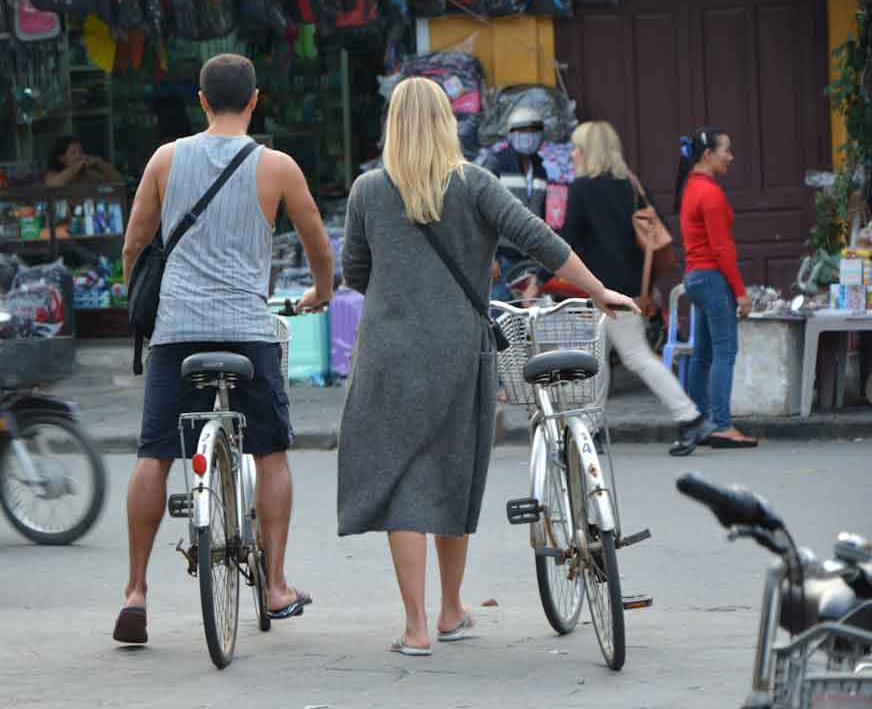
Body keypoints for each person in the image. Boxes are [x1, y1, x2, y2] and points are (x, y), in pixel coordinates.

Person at [337, 77, 639, 656]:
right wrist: (600, 291)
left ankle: (417, 627)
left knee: (402, 486)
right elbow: (541, 240)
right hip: (460, 351)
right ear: (448, 124)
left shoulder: (368, 191)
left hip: (390, 355)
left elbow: (356, 273)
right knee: (452, 473)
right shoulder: (475, 185)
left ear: (392, 126)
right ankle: (451, 611)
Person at [114, 53, 335, 644]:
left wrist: (144, 300)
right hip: (248, 331)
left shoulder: (166, 159)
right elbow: (318, 244)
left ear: (202, 100)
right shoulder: (277, 166)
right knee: (271, 452)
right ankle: (277, 584)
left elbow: (135, 244)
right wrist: (320, 292)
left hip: (176, 333)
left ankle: (135, 590)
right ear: (256, 100)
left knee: (155, 452)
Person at [561, 121, 716, 456]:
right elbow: (653, 231)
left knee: (634, 356)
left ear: (588, 151)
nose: (572, 153)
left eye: (576, 147)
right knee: (595, 359)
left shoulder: (583, 188)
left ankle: (689, 417)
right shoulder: (629, 184)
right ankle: (592, 429)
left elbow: (567, 240)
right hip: (630, 286)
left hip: (601, 289)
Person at [675, 128, 758, 448]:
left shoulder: (692, 188)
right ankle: (722, 424)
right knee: (725, 352)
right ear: (707, 154)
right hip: (711, 278)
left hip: (695, 277)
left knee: (703, 354)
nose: (731, 156)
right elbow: (722, 248)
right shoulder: (709, 193)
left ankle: (698, 421)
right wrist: (741, 292)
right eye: (727, 150)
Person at [474, 106, 551, 301]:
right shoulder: (495, 164)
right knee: (500, 315)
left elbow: (540, 216)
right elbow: (480, 213)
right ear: (510, 133)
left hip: (529, 260)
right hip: (502, 258)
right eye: (521, 131)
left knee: (526, 320)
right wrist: (489, 256)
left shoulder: (541, 170)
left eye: (533, 131)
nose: (527, 136)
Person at [44, 135, 124, 187]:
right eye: (73, 153)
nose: (79, 156)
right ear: (62, 158)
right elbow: (53, 185)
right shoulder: (53, 174)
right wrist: (75, 168)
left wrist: (99, 163)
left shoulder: (89, 174)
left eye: (81, 152)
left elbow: (118, 181)